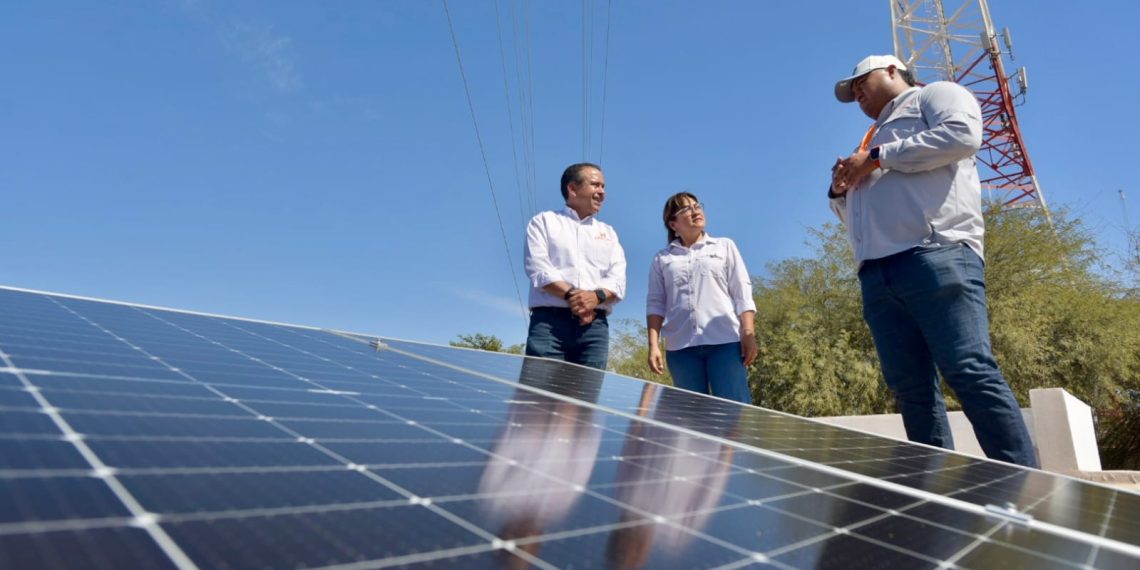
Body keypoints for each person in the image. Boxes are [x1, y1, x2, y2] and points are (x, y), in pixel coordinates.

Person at [828, 54, 1039, 468]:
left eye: (861, 82)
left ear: (892, 71)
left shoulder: (934, 96)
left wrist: (876, 157)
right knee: (910, 389)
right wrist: (840, 189)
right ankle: (932, 493)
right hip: (877, 274)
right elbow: (858, 212)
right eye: (852, 91)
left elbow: (962, 136)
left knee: (968, 369)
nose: (856, 93)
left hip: (935, 254)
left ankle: (1024, 483)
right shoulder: (869, 139)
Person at [645, 192, 757, 404]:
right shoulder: (662, 259)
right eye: (686, 209)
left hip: (725, 342)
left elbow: (742, 292)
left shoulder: (724, 246)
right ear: (673, 224)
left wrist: (748, 332)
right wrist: (653, 345)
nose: (695, 211)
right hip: (680, 349)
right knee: (690, 414)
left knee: (733, 409)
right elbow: (655, 304)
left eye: (697, 206)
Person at [523, 163, 626, 370]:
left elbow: (618, 279)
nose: (602, 192)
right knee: (538, 390)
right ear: (572, 188)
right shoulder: (543, 222)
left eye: (603, 186)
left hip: (594, 329)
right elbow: (539, 268)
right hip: (549, 326)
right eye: (595, 185)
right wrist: (576, 298)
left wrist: (595, 297)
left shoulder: (608, 232)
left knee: (586, 391)